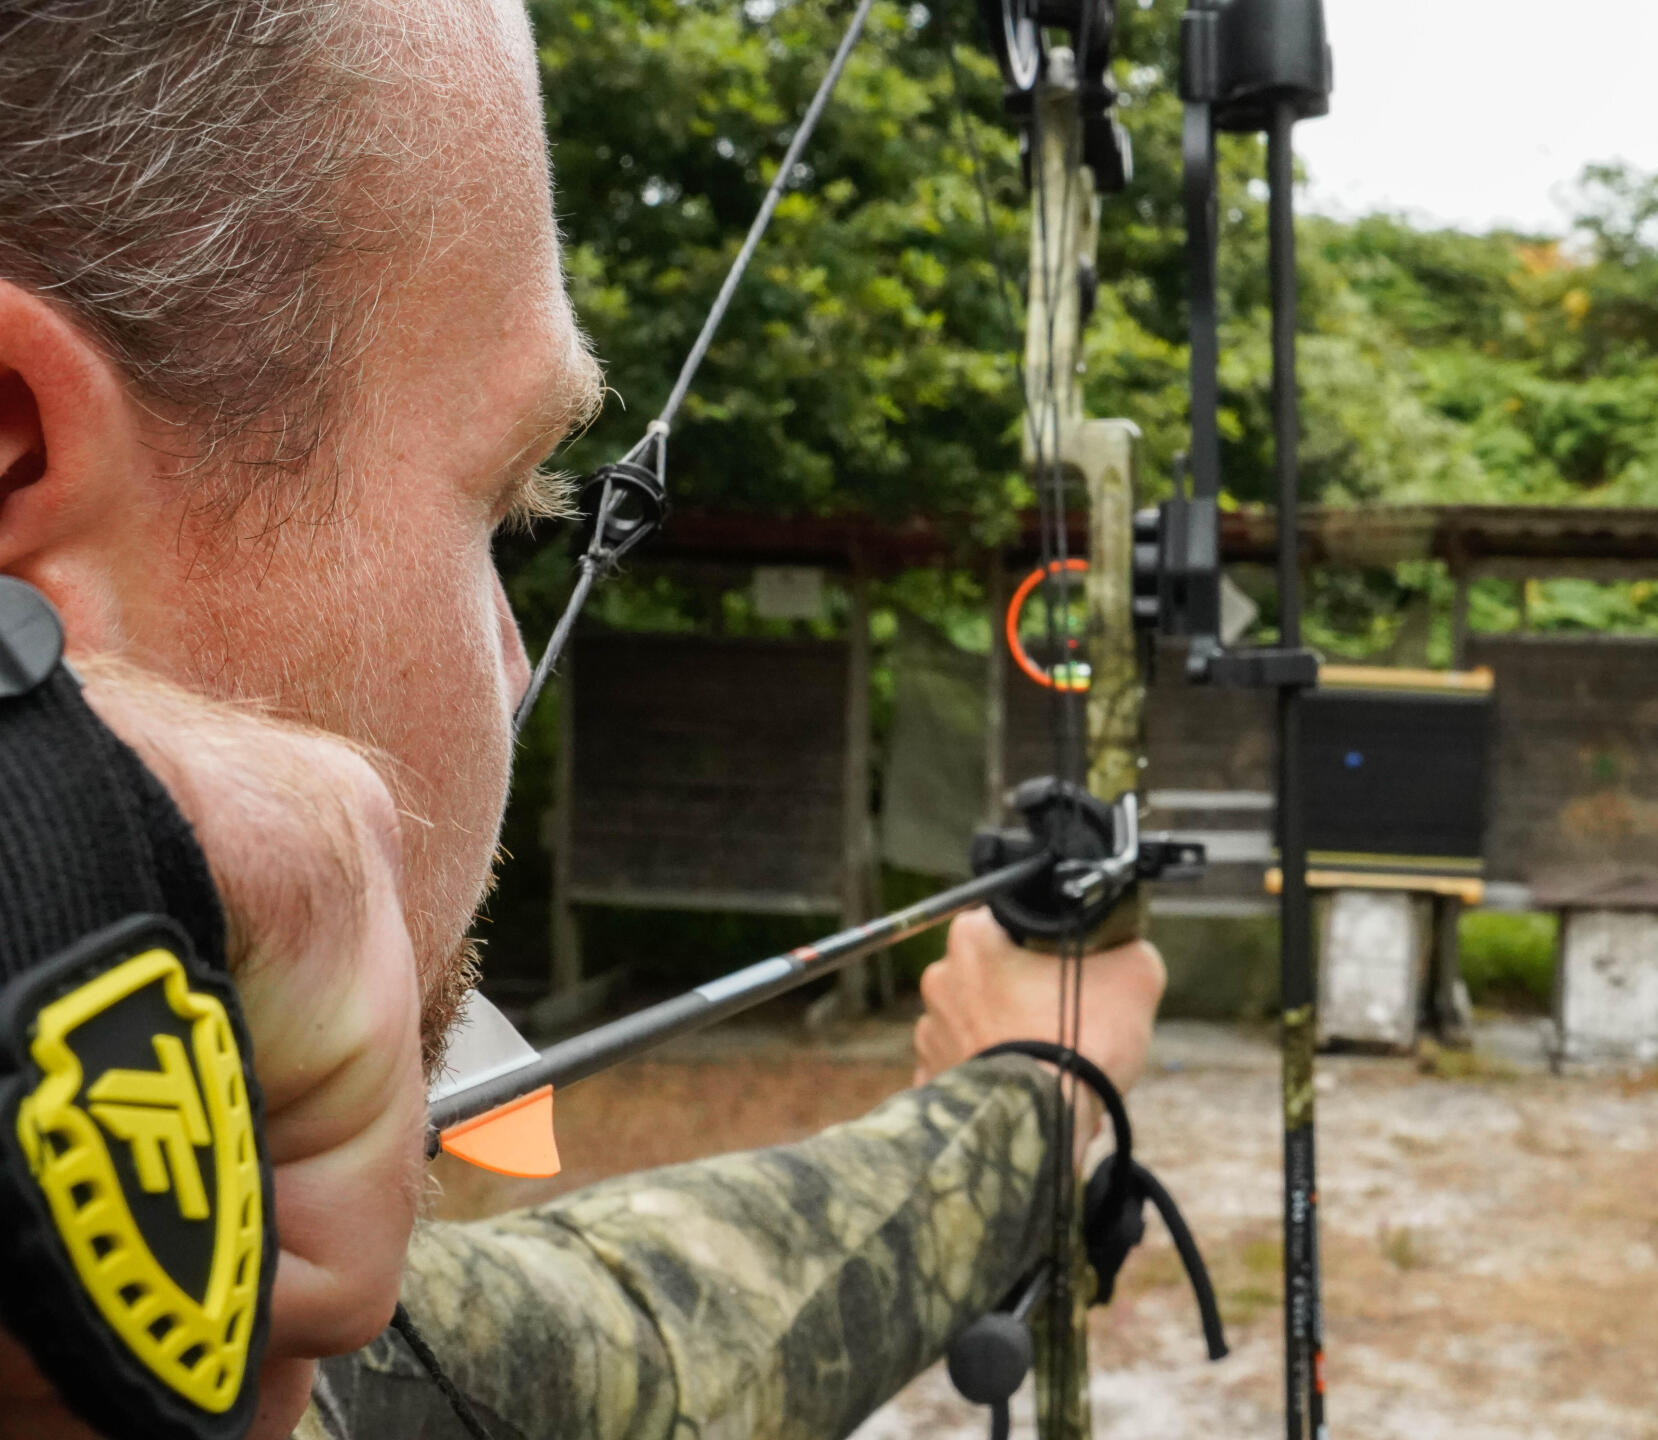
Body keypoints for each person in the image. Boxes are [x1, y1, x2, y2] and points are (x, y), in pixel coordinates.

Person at [0, 2, 1166, 1437]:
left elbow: (669, 1330)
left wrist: (1032, 1097)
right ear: (16, 453)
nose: (510, 663)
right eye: (503, 509)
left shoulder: (217, 1333)